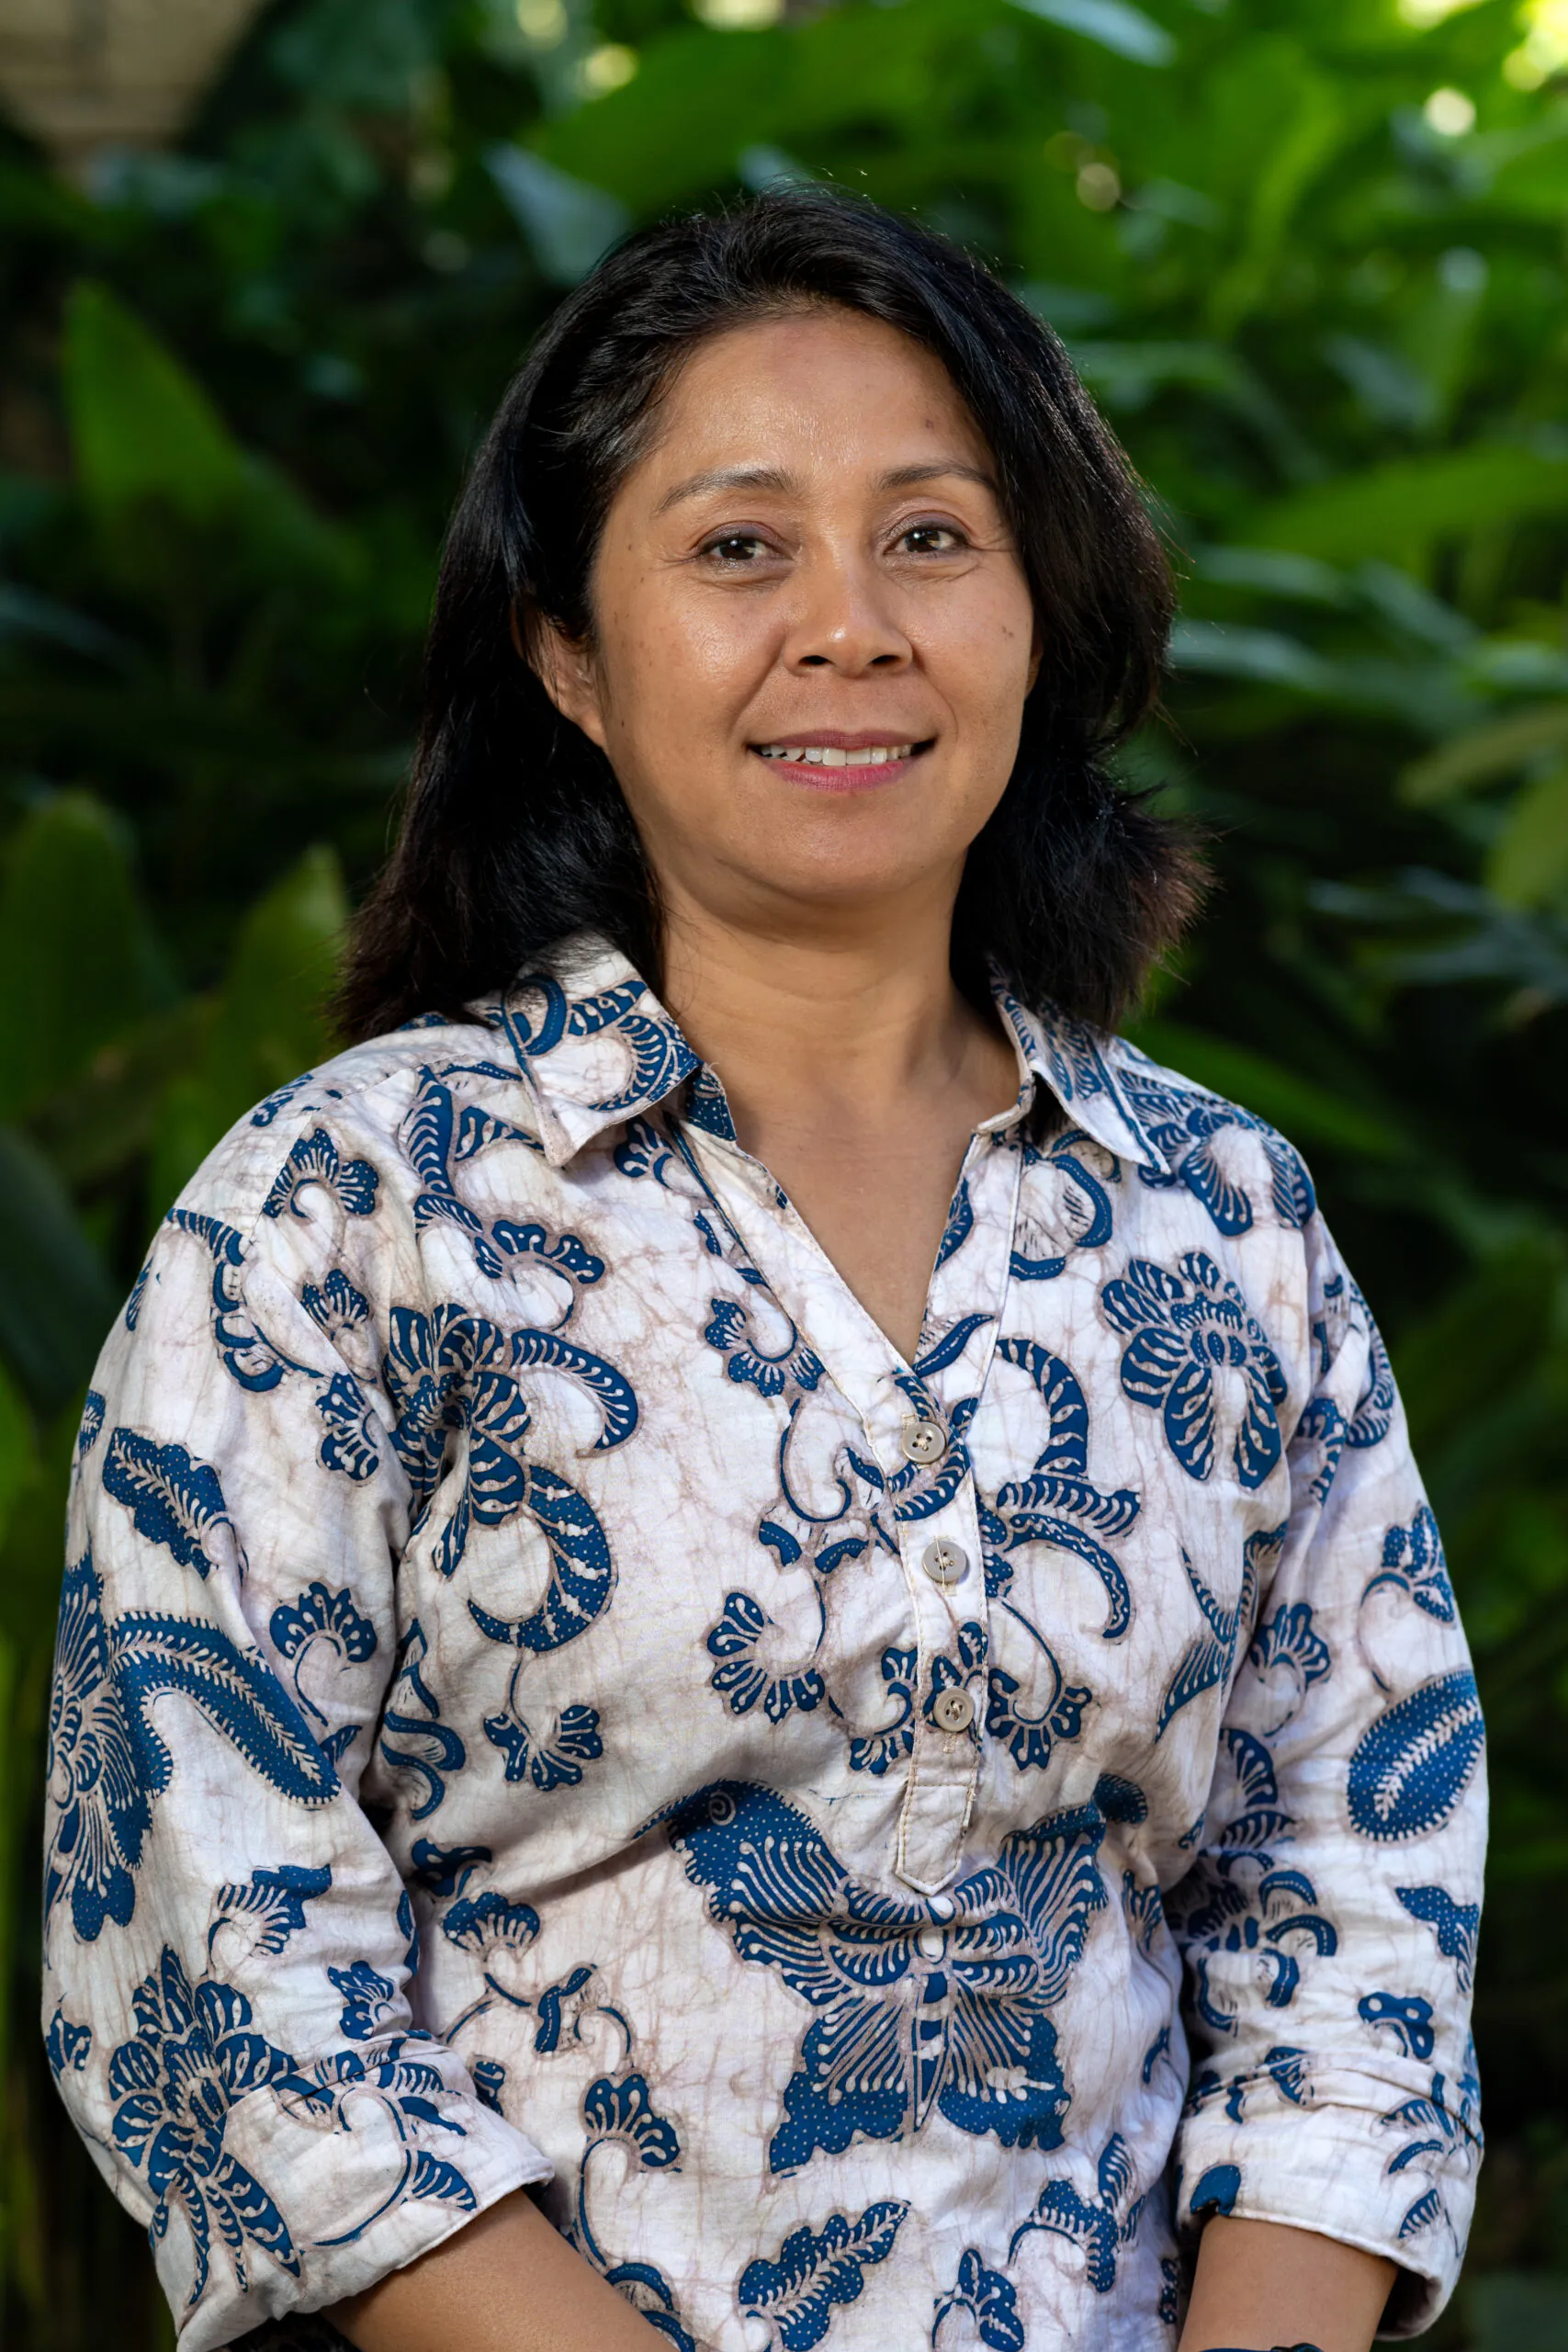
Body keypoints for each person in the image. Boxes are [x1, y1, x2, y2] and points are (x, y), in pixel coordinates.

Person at [42, 190, 1484, 2352]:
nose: (850, 625)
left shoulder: (1221, 1221)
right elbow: (217, 1980)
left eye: (931, 536)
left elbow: (1357, 1902)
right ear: (566, 653)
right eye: (738, 546)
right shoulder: (346, 1212)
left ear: (1037, 611)